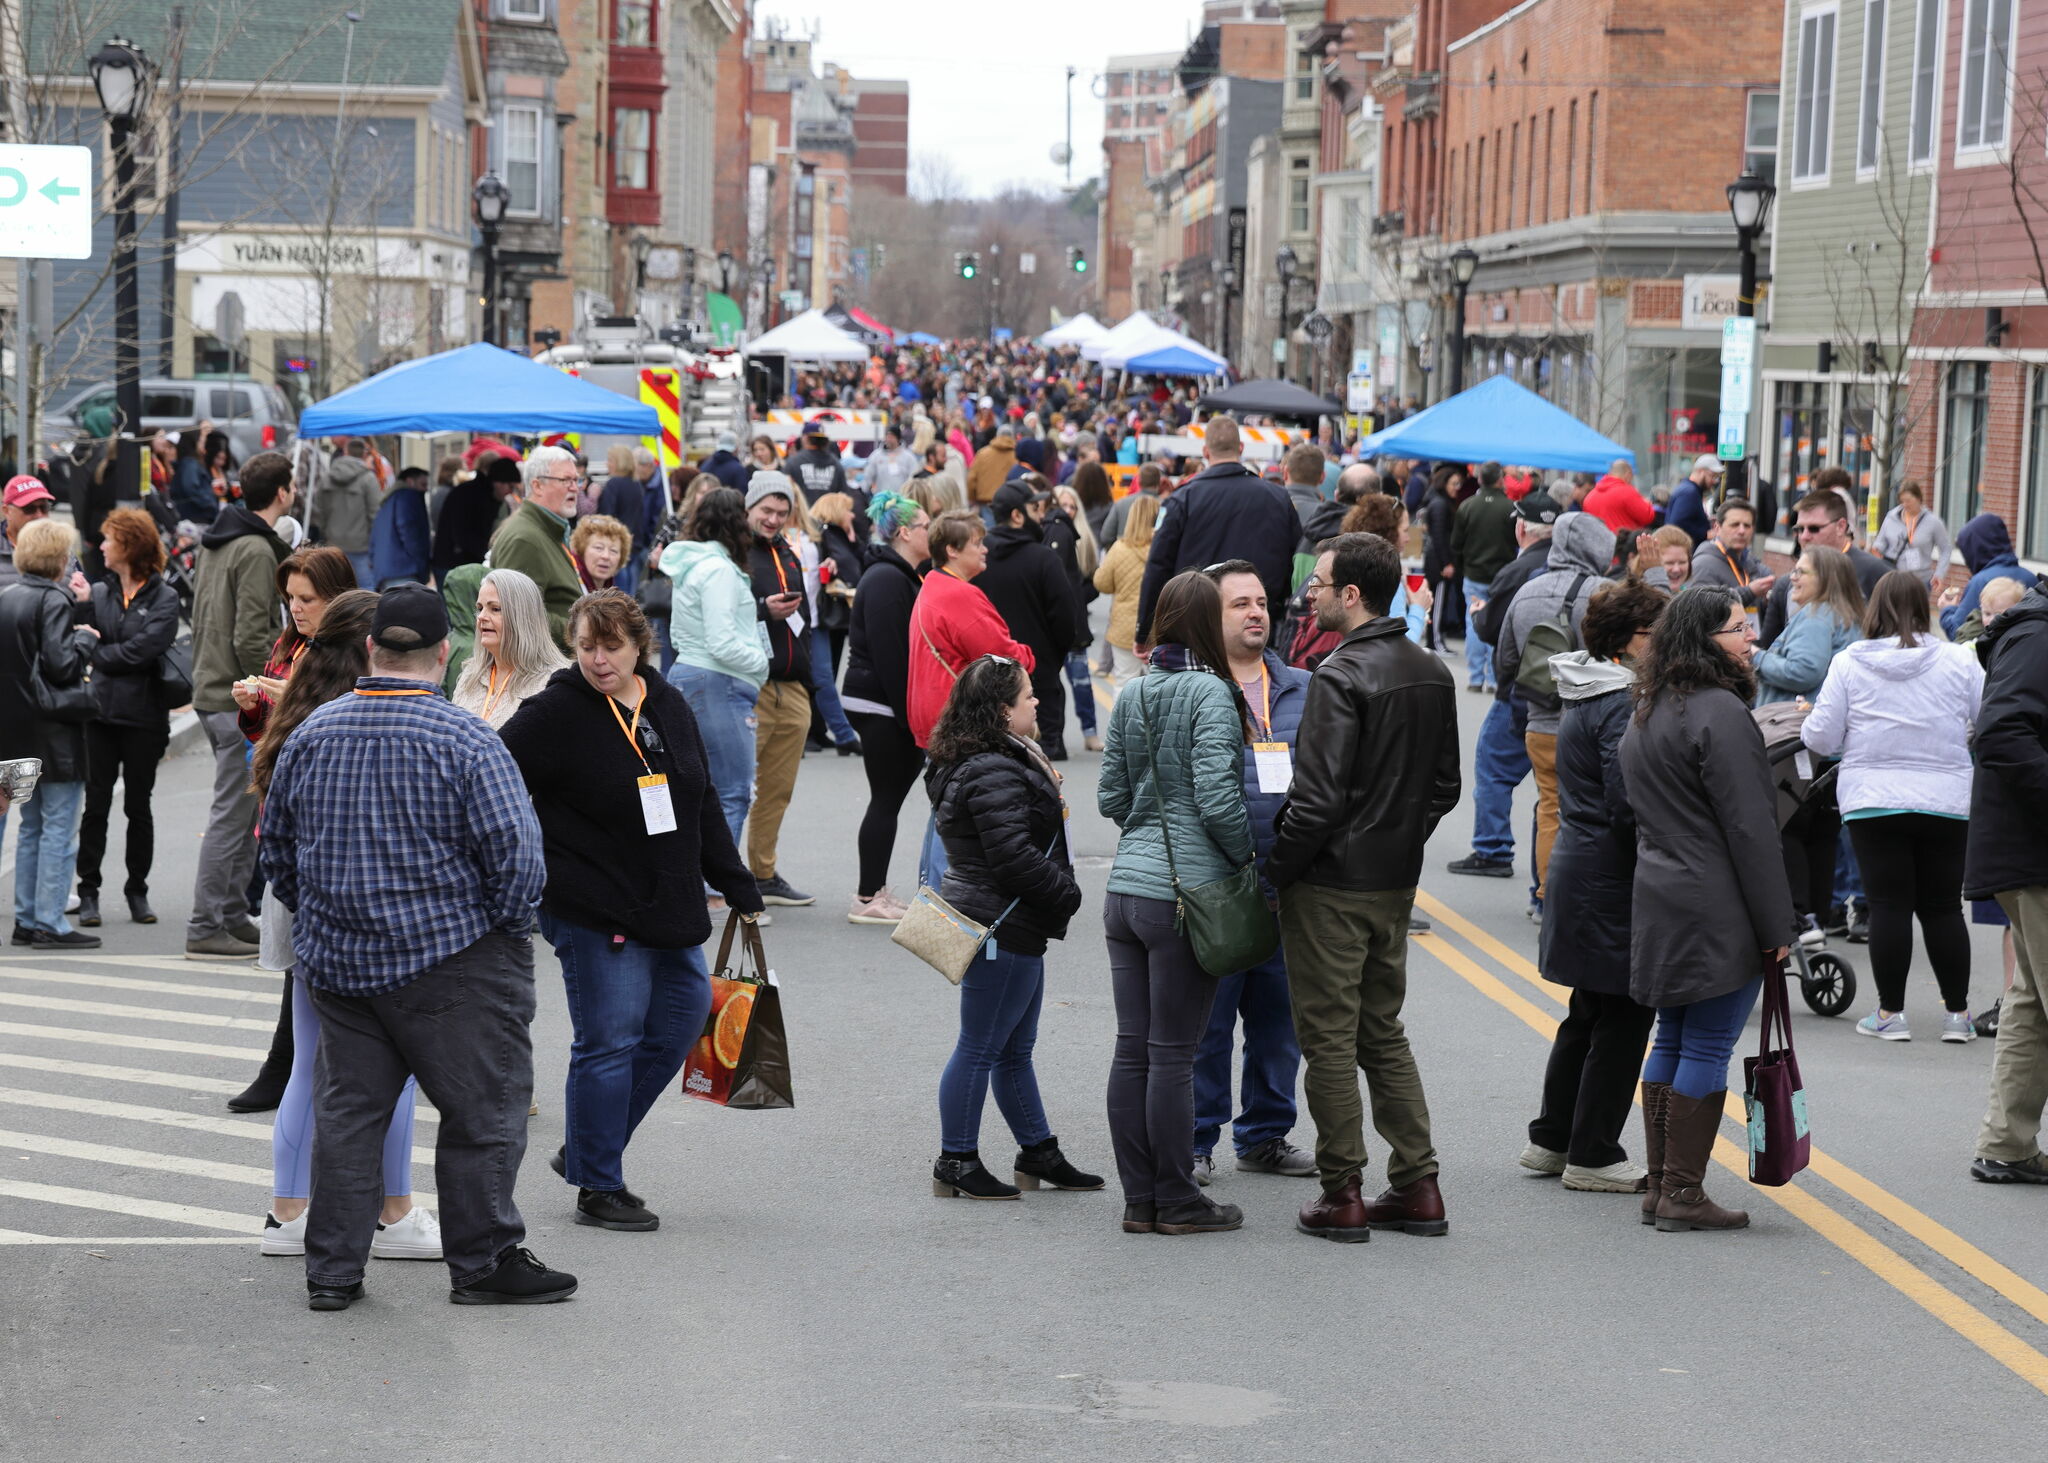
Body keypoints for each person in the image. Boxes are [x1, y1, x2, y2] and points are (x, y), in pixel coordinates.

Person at [259, 584, 573, 1309]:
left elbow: (277, 854)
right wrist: (501, 931)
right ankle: (485, 1257)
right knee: (483, 1110)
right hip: (453, 959)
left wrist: (324, 918)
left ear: (371, 648)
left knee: (350, 1113)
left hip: (341, 962)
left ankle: (333, 1269)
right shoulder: (468, 739)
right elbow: (519, 860)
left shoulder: (312, 732)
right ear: (442, 653)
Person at [501, 590, 765, 1231]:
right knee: (609, 1041)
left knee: (679, 1024)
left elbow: (700, 800)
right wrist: (535, 862)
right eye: (586, 646)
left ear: (638, 645)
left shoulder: (665, 700)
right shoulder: (557, 711)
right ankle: (599, 1185)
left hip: (667, 902)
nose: (597, 659)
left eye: (611, 646)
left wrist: (737, 882)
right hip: (593, 906)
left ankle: (589, 1149)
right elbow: (492, 773)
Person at [1267, 533, 1459, 1242]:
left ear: (1352, 594)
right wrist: (1398, 836)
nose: (1308, 593)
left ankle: (1341, 1188)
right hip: (1392, 879)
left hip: (1330, 882)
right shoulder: (1430, 669)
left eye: (1318, 584)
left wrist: (1278, 868)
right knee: (1382, 1031)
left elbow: (1314, 801)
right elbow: (1445, 786)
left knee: (1329, 1040)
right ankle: (1418, 1183)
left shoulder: (1338, 675)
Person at [248, 591, 439, 1264]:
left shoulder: (302, 709)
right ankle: (395, 1211)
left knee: (309, 1061)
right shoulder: (364, 716)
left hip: (300, 902)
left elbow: (272, 828)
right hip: (358, 912)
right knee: (395, 1068)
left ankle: (288, 1212)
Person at [1621, 585, 1795, 1232]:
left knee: (1672, 1034)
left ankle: (1662, 1184)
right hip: (1717, 901)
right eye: (1738, 630)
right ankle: (1683, 1193)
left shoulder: (1649, 708)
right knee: (1709, 1042)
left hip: (1662, 893)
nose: (1751, 640)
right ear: (1706, 640)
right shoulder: (1720, 712)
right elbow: (1753, 829)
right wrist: (1777, 927)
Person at [1098, 572, 1258, 1236]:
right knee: (1173, 1052)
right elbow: (1220, 800)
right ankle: (1178, 1196)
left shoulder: (1132, 692)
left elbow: (1111, 797)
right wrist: (1247, 856)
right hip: (1184, 894)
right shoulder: (1213, 692)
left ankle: (1142, 1198)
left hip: (1125, 890)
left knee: (1132, 1048)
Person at [923, 655, 1098, 1201]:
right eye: (1028, 695)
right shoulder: (994, 767)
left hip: (1003, 918)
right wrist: (1068, 893)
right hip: (1000, 920)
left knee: (1012, 1049)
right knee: (980, 1046)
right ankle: (956, 1161)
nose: (1037, 700)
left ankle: (1038, 1151)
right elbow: (1013, 858)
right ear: (1003, 711)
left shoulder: (981, 757)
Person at [1522, 580, 1666, 1190]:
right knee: (1624, 1017)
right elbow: (1626, 798)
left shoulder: (1588, 688)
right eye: (1659, 635)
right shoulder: (1620, 700)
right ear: (1634, 639)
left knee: (1588, 1012)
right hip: (1610, 872)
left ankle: (1555, 1138)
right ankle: (1594, 1153)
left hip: (1584, 866)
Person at [1802, 572, 1983, 1042]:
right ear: (1924, 608)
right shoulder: (1957, 660)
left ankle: (1890, 1015)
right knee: (1943, 907)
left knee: (1888, 906)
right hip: (1945, 799)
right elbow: (1989, 716)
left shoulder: (1850, 663)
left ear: (1873, 608)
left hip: (1873, 799)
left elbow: (1819, 736)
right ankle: (1958, 1018)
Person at [1189, 561, 1315, 1186]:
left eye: (1261, 602)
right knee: (1208, 1026)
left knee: (1278, 1024)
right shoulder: (1196, 690)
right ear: (1213, 618)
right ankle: (1195, 1137)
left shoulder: (1302, 687)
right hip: (1218, 888)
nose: (1256, 613)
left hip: (1287, 886)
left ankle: (1266, 1132)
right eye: (1239, 604)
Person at [187, 451, 296, 960]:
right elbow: (254, 633)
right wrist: (280, 683)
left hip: (214, 687)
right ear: (284, 493)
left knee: (240, 810)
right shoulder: (254, 548)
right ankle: (206, 923)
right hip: (238, 696)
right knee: (232, 816)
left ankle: (229, 914)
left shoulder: (220, 539)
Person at [1964, 581, 2048, 1183]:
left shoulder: (2031, 629)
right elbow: (1999, 733)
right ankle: (2005, 1146)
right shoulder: (2039, 634)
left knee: (2030, 1003)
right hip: (2034, 854)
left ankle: (2007, 1145)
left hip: (2026, 852)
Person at [1495, 511, 1618, 914]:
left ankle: (1547, 895)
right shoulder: (1606, 593)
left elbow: (1505, 660)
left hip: (1541, 722)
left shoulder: (1528, 590)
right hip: (1595, 724)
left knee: (1550, 805)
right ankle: (1585, 897)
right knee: (1593, 813)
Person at [74, 508, 179, 929]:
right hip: (99, 716)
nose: (100, 546)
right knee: (95, 806)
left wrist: (101, 653)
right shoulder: (98, 593)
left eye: (108, 539)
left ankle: (137, 890)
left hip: (143, 718)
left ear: (129, 545)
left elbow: (142, 651)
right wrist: (102, 649)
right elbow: (81, 639)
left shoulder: (165, 597)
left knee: (139, 806)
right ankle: (88, 892)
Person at [658, 487, 770, 880]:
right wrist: (759, 662)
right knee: (733, 792)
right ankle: (716, 886)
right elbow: (722, 641)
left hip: (695, 677)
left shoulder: (696, 565)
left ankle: (701, 882)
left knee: (704, 791)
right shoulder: (719, 570)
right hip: (719, 682)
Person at [0, 518, 101, 949]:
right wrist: (85, 638)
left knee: (30, 826)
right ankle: (49, 921)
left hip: (14, 731)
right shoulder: (55, 600)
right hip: (54, 733)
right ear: (60, 559)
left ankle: (27, 917)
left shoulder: (7, 597)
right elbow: (62, 666)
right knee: (59, 827)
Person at [839, 490, 929, 924]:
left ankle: (873, 890)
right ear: (906, 532)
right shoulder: (888, 579)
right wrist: (912, 718)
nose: (932, 531)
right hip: (879, 702)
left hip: (882, 701)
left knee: (887, 799)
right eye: (926, 525)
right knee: (885, 799)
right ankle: (866, 896)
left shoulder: (898, 575)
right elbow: (893, 656)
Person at [1134, 417, 1298, 647]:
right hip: (1256, 625)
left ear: (1205, 451)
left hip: (1197, 626)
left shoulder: (1184, 498)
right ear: (1240, 448)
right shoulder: (1278, 498)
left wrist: (1144, 631)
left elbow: (1158, 566)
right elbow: (1293, 562)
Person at [737, 471, 815, 907]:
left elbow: (805, 622)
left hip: (793, 687)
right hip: (753, 684)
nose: (773, 518)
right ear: (749, 507)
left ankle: (762, 873)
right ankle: (717, 881)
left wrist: (810, 683)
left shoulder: (787, 550)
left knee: (777, 790)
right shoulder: (734, 551)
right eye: (766, 510)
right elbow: (722, 612)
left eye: (782, 512)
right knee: (734, 788)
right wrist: (762, 609)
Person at [907, 511, 1037, 748]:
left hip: (935, 714)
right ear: (952, 550)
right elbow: (1001, 658)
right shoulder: (958, 594)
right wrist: (1027, 656)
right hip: (959, 719)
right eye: (977, 543)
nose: (984, 549)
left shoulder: (933, 584)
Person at [975, 479, 1081, 759]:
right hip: (1040, 676)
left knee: (989, 757)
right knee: (1047, 762)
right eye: (1035, 508)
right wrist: (1051, 658)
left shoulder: (977, 558)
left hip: (986, 674)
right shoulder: (1044, 558)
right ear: (1017, 515)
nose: (1042, 515)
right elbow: (1065, 619)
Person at [487, 445, 586, 649]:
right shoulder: (525, 539)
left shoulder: (546, 529)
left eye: (576, 480)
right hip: (543, 671)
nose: (575, 488)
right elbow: (517, 617)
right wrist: (581, 630)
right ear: (538, 486)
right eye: (566, 480)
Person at [450, 568, 568, 730]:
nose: (481, 617)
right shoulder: (470, 674)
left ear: (523, 617)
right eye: (480, 608)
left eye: (495, 609)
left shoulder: (553, 682)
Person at [1754, 545, 1863, 706]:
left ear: (1825, 578)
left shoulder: (1818, 614)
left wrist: (1755, 656)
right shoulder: (1846, 616)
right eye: (1793, 571)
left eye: (1800, 572)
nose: (1792, 577)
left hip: (1791, 724)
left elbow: (1802, 672)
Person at [1447, 461, 1518, 692]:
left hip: (1474, 573)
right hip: (1502, 575)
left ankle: (1476, 677)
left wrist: (1462, 566)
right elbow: (1517, 542)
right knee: (1498, 623)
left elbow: (1456, 543)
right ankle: (1494, 679)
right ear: (1500, 480)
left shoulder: (1467, 506)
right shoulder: (1511, 508)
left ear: (1479, 480)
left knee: (1473, 622)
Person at [1046, 483, 1103, 752]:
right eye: (1062, 504)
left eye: (1071, 506)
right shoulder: (1049, 534)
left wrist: (1079, 598)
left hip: (1076, 626)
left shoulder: (1084, 540)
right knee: (1049, 684)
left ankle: (1090, 731)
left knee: (1081, 682)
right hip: (1050, 624)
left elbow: (1095, 579)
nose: (1067, 510)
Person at [1940, 512, 2039, 639]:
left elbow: (1959, 633)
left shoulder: (1980, 581)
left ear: (1976, 548)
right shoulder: (2031, 577)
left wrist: (1947, 610)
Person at [1094, 494, 1157, 683]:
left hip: (1124, 627)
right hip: (1156, 628)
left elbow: (1101, 583)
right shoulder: (1163, 549)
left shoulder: (1119, 548)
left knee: (1123, 682)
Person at [314, 439, 382, 588]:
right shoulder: (368, 478)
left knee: (335, 592)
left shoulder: (327, 478)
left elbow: (319, 510)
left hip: (333, 545)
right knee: (365, 594)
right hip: (360, 546)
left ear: (345, 452)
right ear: (364, 454)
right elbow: (375, 515)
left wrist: (326, 535)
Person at [1688, 498, 1777, 610]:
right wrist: (1749, 592)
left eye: (1747, 526)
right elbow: (1705, 608)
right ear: (1717, 528)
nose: (1741, 531)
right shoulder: (1703, 565)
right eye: (1735, 525)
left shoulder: (1749, 562)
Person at [432, 460, 502, 579]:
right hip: (455, 563)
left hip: (450, 560)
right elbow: (462, 534)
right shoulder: (472, 494)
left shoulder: (463, 491)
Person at [1872, 480, 1952, 583]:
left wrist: (1939, 574)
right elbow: (1880, 542)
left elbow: (1946, 549)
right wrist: (1877, 551)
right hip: (1892, 577)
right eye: (1902, 501)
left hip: (1919, 580)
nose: (1905, 504)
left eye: (1908, 500)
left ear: (1918, 498)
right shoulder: (1891, 517)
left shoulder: (1933, 522)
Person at [370, 466, 432, 588]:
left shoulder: (388, 500)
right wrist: (421, 566)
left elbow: (374, 538)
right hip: (404, 570)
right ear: (410, 481)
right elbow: (410, 534)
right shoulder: (408, 496)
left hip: (385, 571)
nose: (426, 489)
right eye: (423, 484)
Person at [1582, 459, 1652, 534]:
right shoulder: (1627, 491)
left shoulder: (1589, 497)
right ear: (1628, 475)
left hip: (1597, 543)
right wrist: (1648, 504)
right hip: (1622, 543)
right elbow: (1646, 517)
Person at [1664, 456, 1720, 545]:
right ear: (1701, 471)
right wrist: (1705, 534)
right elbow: (1677, 524)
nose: (1714, 481)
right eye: (1712, 476)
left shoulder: (1690, 490)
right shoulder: (1689, 493)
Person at [571, 514, 631, 593]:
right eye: (598, 548)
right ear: (582, 551)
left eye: (613, 551)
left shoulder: (612, 593)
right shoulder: (571, 585)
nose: (606, 556)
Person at [861, 423, 919, 499]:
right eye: (887, 436)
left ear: (898, 439)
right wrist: (862, 493)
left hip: (901, 501)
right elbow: (868, 476)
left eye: (891, 437)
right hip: (881, 500)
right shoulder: (876, 456)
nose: (888, 439)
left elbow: (913, 479)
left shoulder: (909, 457)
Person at [967, 425, 1017, 508]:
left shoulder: (982, 453)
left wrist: (972, 498)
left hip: (986, 500)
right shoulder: (1016, 455)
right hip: (1008, 501)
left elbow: (971, 478)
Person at [1640, 524, 1693, 592]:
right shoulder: (1636, 598)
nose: (1676, 569)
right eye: (1669, 563)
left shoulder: (1690, 596)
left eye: (1682, 562)